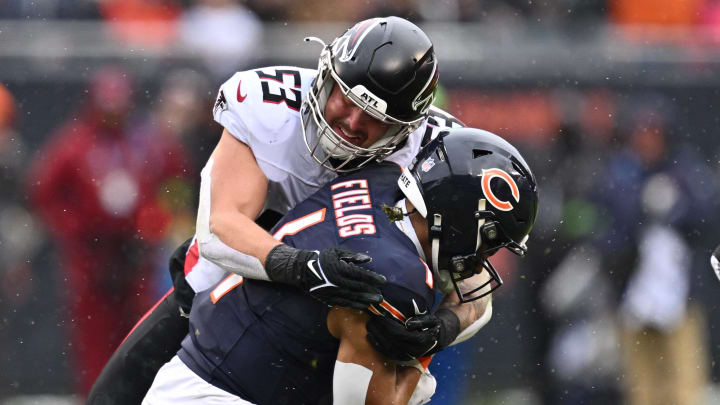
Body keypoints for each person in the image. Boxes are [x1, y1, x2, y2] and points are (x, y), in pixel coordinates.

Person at [88, 16, 467, 403]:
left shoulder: (436, 154)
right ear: (326, 75)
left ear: (406, 128)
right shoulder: (269, 104)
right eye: (345, 98)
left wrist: (444, 326)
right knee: (193, 288)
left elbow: (473, 289)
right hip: (255, 259)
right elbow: (221, 231)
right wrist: (305, 266)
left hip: (361, 292)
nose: (351, 122)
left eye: (375, 118)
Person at [142, 127, 539, 404]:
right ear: (456, 221)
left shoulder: (383, 175)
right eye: (486, 241)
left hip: (192, 371)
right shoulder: (397, 277)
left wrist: (445, 325)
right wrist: (421, 367)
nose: (484, 259)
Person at [27, 67, 191, 395]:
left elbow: (176, 183)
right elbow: (43, 193)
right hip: (90, 259)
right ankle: (94, 397)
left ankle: (137, 397)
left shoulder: (150, 143)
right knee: (93, 341)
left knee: (140, 334)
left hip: (136, 255)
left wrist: (157, 220)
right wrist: (75, 229)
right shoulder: (73, 144)